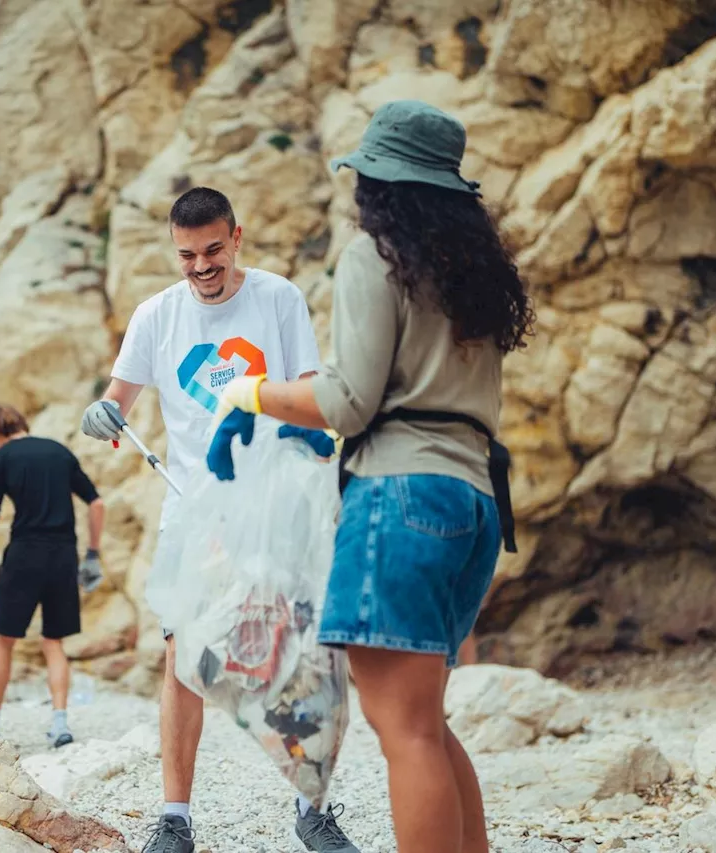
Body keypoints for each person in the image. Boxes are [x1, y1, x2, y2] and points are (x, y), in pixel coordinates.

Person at [207, 100, 534, 853]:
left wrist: (249, 393)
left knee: (404, 731)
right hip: (473, 500)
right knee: (426, 723)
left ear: (377, 183)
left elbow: (349, 401)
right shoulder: (471, 270)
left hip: (398, 499)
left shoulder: (375, 254)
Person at [79, 187, 361, 853]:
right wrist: (104, 413)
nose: (201, 266)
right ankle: (174, 819)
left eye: (212, 250)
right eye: (186, 255)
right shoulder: (155, 316)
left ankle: (311, 808)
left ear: (237, 237)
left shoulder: (279, 299)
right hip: (192, 507)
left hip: (276, 503)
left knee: (296, 650)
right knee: (183, 656)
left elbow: (310, 390)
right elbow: (117, 399)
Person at [0, 403, 105, 748]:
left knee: (4, 641)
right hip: (64, 555)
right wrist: (93, 555)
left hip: (24, 556)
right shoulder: (59, 452)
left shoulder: (1, 459)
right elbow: (96, 503)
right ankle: (60, 723)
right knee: (54, 642)